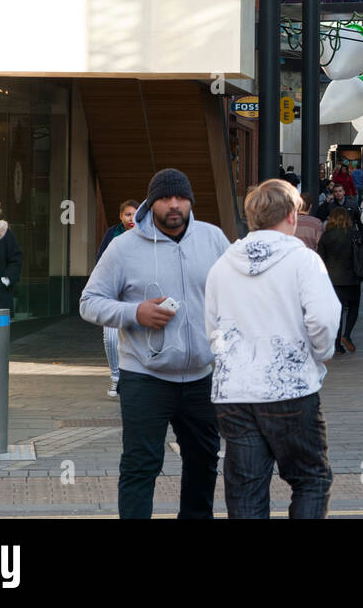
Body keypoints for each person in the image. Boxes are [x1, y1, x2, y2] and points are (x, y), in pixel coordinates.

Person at [79, 168, 230, 519]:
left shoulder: (213, 239)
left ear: (191, 200)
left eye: (181, 197)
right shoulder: (123, 247)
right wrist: (136, 312)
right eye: (165, 198)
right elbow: (89, 302)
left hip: (201, 377)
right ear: (152, 202)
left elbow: (236, 294)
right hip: (145, 377)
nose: (174, 205)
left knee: (204, 460)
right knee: (141, 465)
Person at [204, 180, 340, 518]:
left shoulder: (222, 265)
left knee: (246, 490)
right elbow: (323, 321)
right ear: (293, 215)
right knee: (310, 479)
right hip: (289, 387)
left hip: (235, 391)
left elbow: (212, 330)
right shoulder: (304, 261)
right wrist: (321, 353)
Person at [96, 199, 140, 398]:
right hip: (113, 292)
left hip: (137, 292)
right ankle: (116, 379)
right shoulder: (111, 234)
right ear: (121, 216)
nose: (131, 218)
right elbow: (100, 260)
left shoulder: (146, 234)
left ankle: (137, 379)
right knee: (112, 337)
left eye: (134, 214)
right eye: (127, 214)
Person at [317, 206, 363, 356]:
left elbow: (320, 259)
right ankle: (347, 334)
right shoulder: (353, 234)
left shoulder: (326, 236)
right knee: (354, 307)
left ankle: (337, 344)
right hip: (352, 278)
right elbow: (360, 254)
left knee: (337, 311)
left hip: (333, 280)